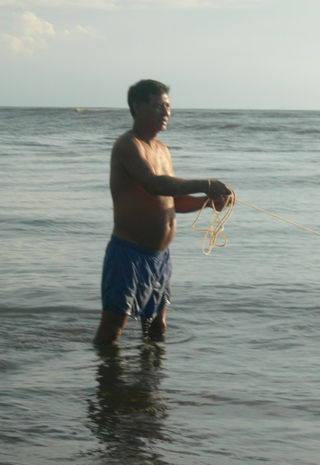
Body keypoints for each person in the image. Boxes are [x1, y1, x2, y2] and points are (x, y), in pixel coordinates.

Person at [93, 79, 231, 345]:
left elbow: (174, 201)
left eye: (168, 106)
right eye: (159, 106)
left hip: (159, 257)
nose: (166, 112)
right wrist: (207, 184)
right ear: (138, 106)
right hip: (128, 253)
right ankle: (106, 384)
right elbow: (154, 184)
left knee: (157, 328)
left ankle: (150, 385)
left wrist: (207, 202)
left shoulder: (162, 150)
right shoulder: (128, 145)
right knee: (112, 328)